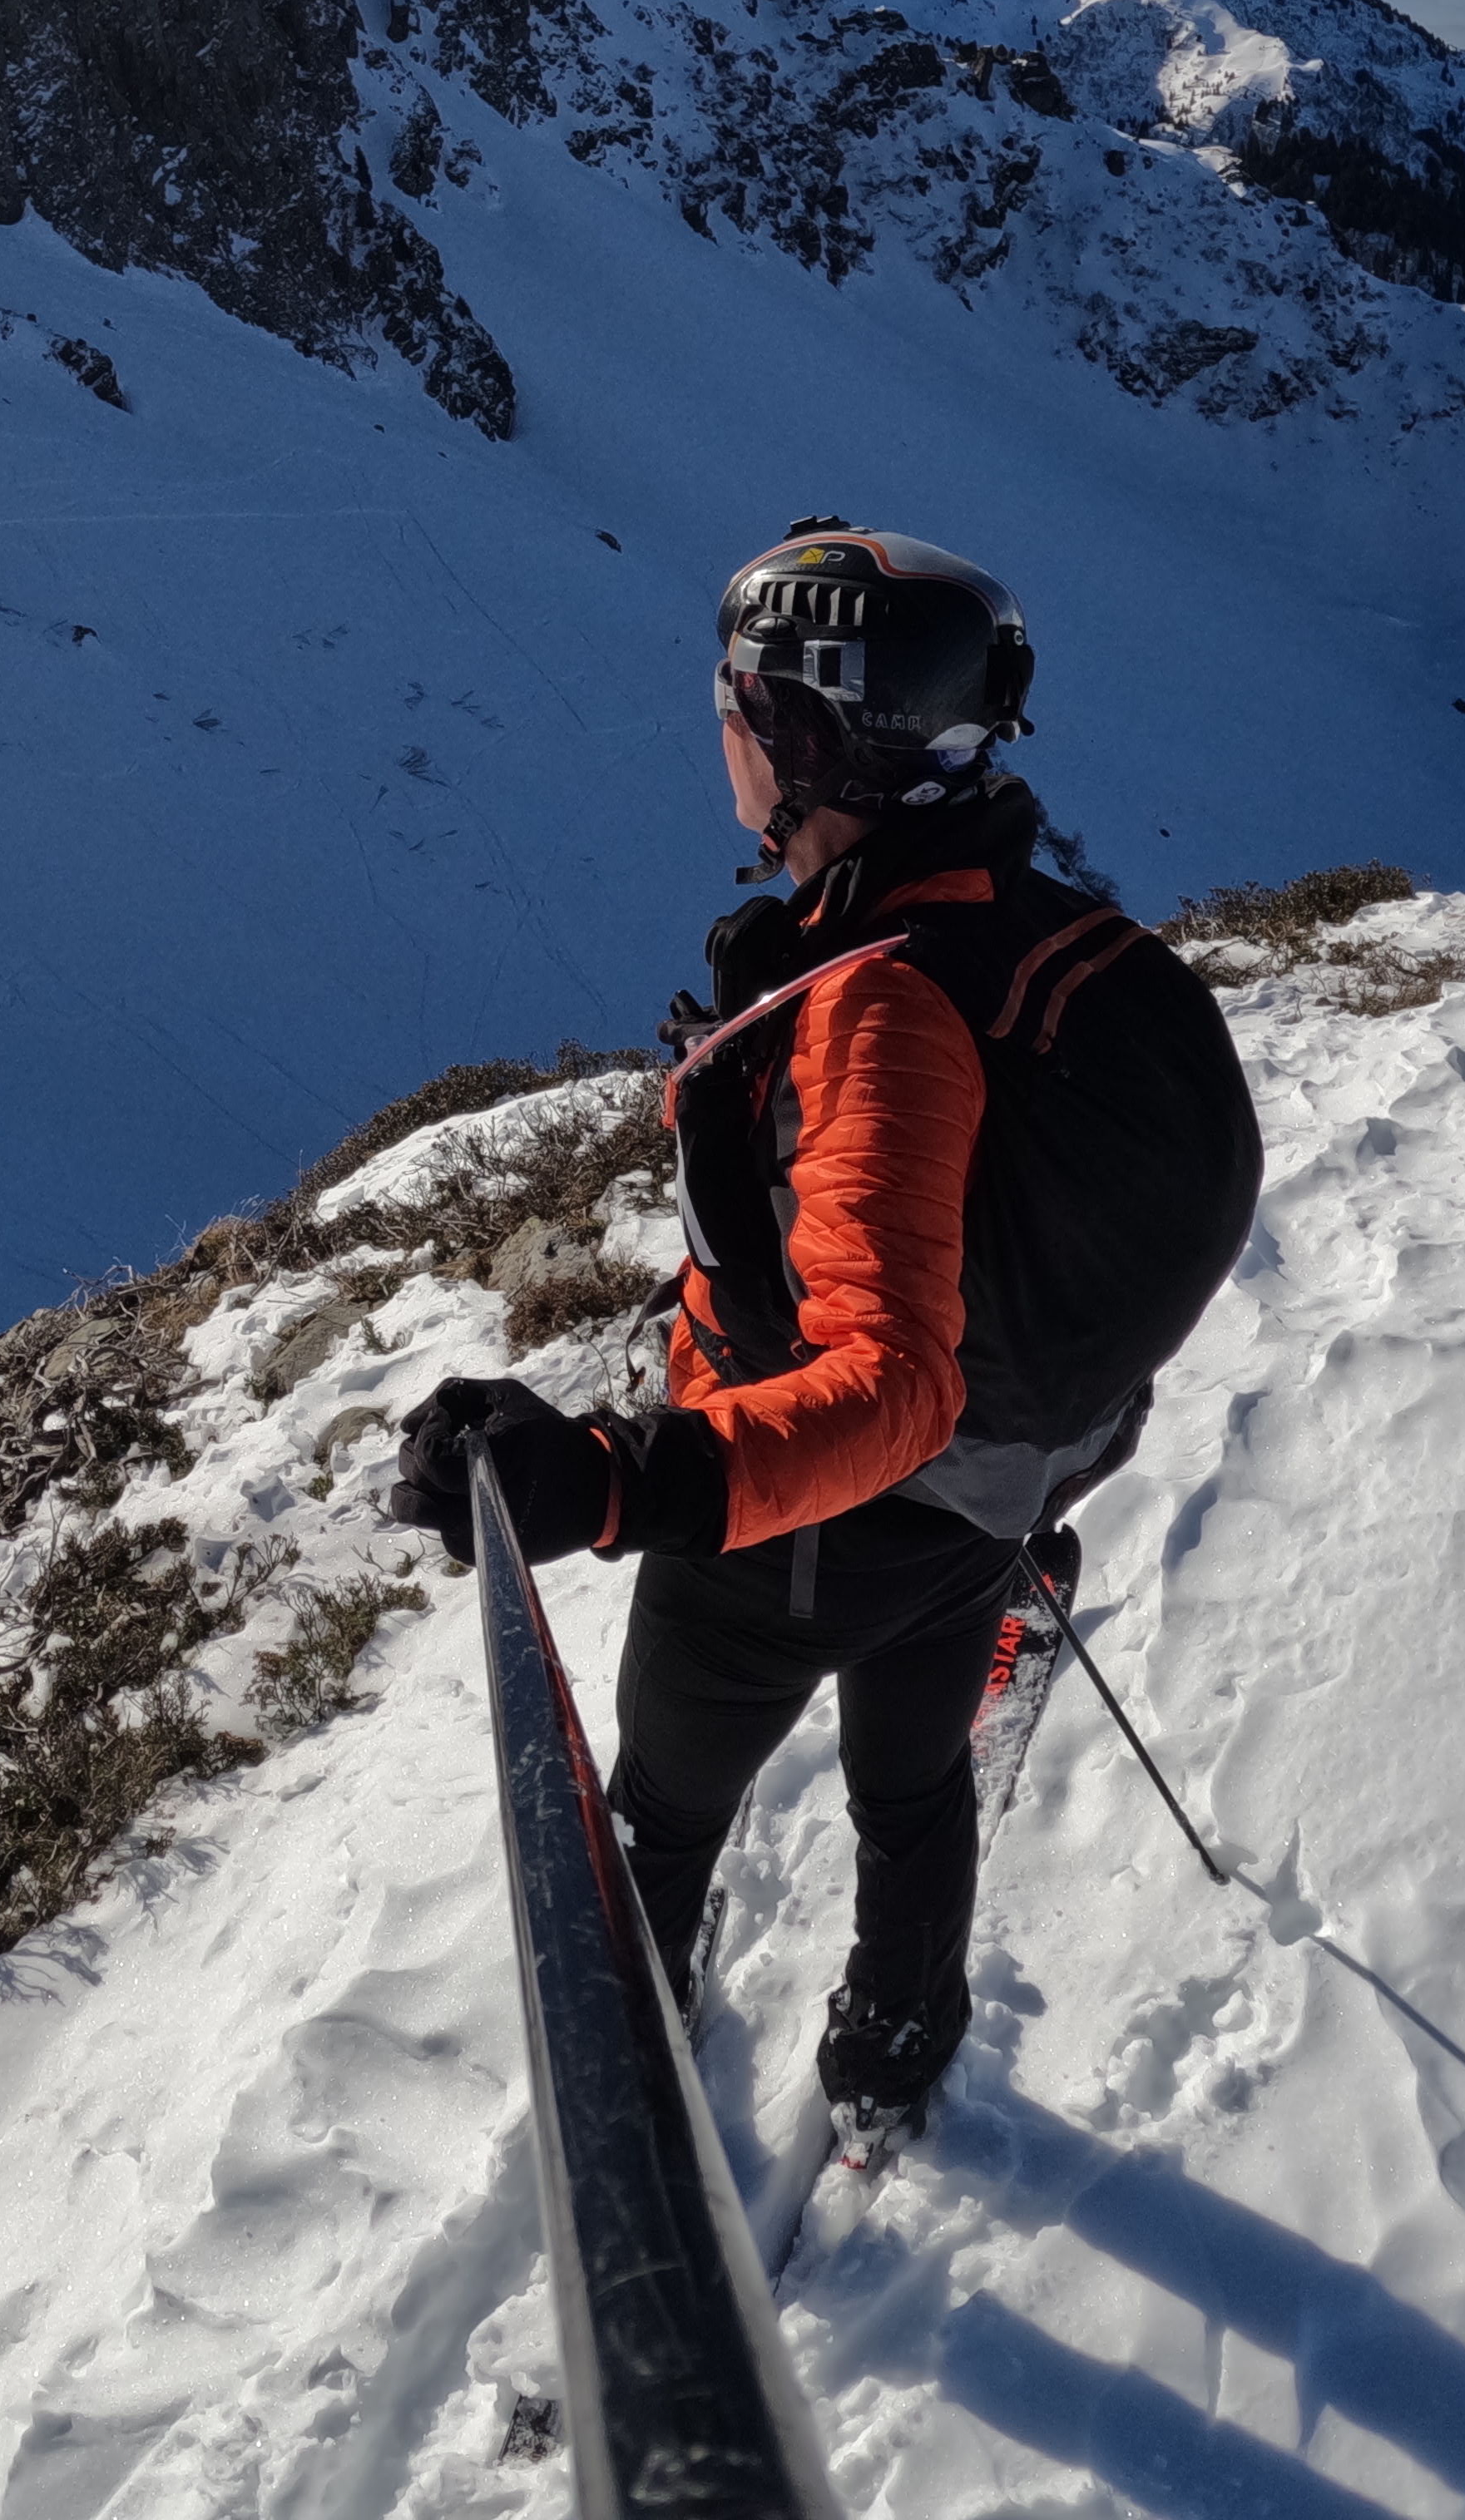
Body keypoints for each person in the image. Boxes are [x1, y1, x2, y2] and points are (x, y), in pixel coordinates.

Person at [393, 520, 1261, 2136]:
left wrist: (610, 1482)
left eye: (738, 698)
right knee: (913, 1778)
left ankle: (634, 2105)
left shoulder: (879, 1002)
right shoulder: (1012, 929)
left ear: (797, 736)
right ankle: (894, 2039)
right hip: (987, 1505)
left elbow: (891, 1385)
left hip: (802, 1524)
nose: (717, 727)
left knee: (654, 1816)